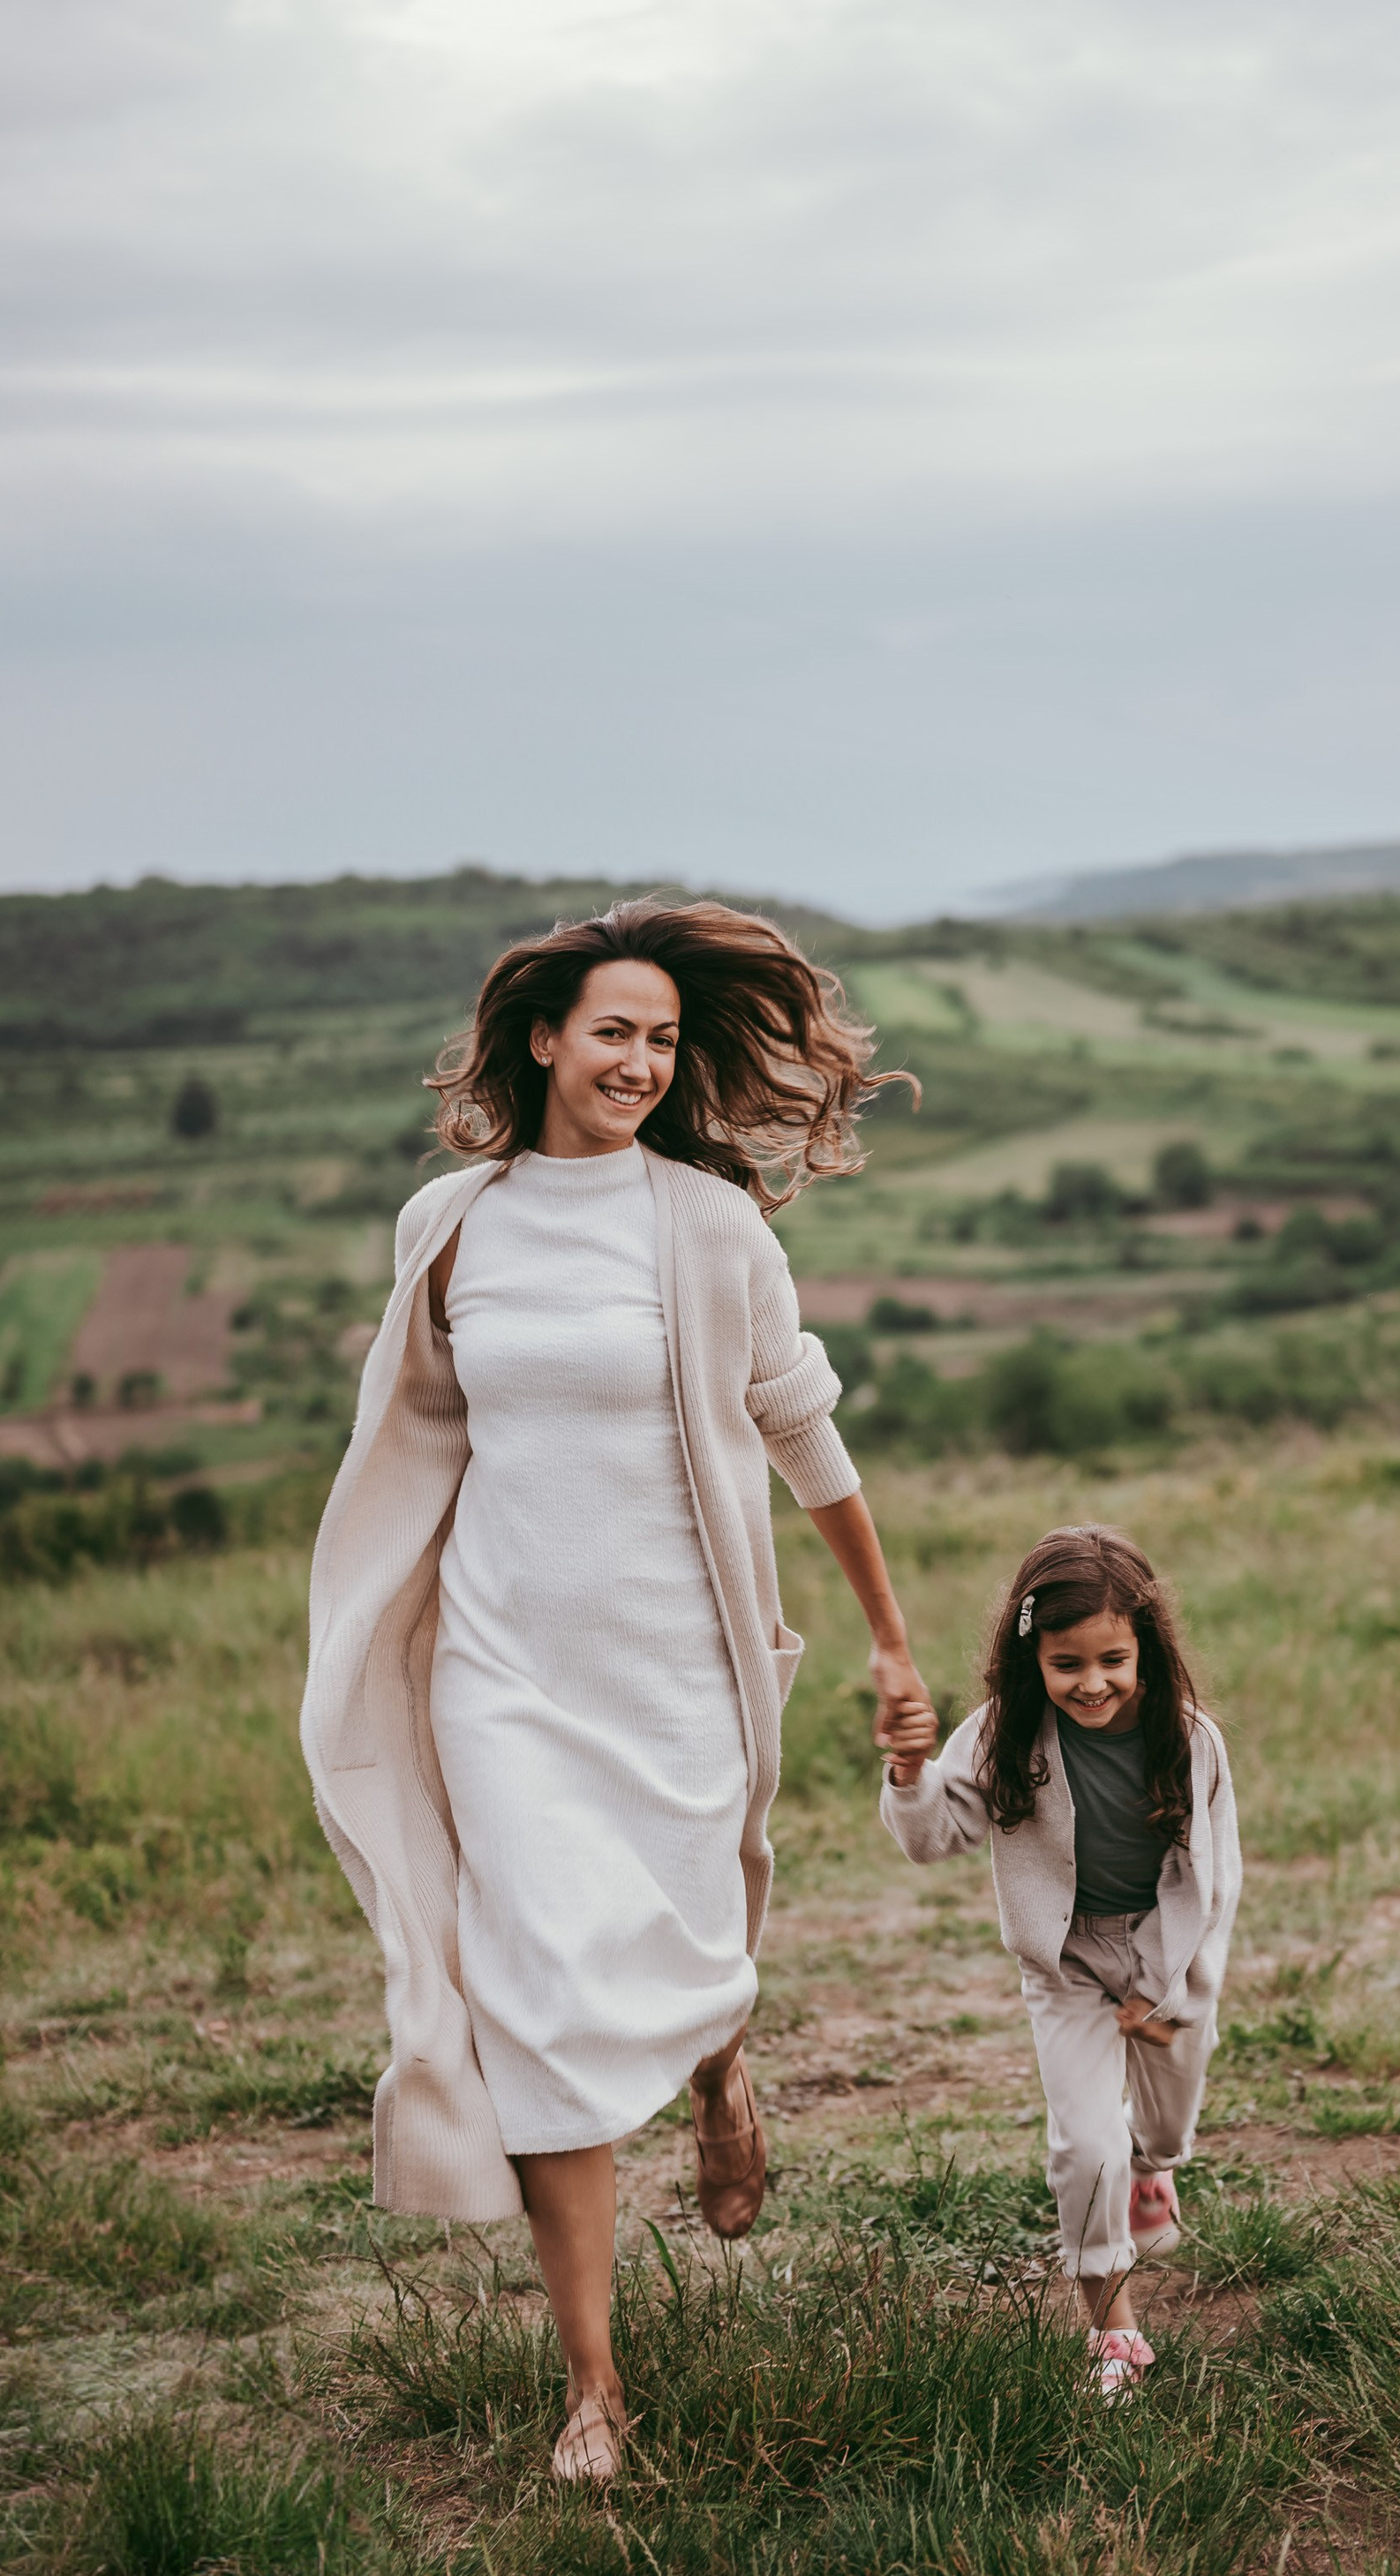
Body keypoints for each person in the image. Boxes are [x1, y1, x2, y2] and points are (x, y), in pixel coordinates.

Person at [301, 898, 932, 2483]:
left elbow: (804, 1435)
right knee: (538, 1995)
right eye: (614, 1033)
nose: (641, 1061)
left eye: (662, 1037)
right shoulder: (448, 1223)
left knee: (692, 1943)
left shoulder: (712, 1230)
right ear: (542, 1038)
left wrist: (896, 1638)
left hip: (673, 1666)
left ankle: (720, 2061)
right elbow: (419, 1433)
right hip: (505, 1670)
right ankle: (595, 2385)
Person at [878, 1525, 1238, 2399]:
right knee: (1085, 2143)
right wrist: (910, 1773)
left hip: (1169, 1951)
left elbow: (1208, 1878)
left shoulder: (1189, 1741)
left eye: (1111, 1658)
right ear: (1029, 1657)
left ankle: (1155, 2171)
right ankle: (1112, 2332)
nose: (1091, 1682)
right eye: (1065, 1662)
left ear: (1144, 1650)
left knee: (1162, 2116)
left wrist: (1155, 1981)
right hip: (1064, 1961)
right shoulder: (1000, 1733)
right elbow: (934, 1839)